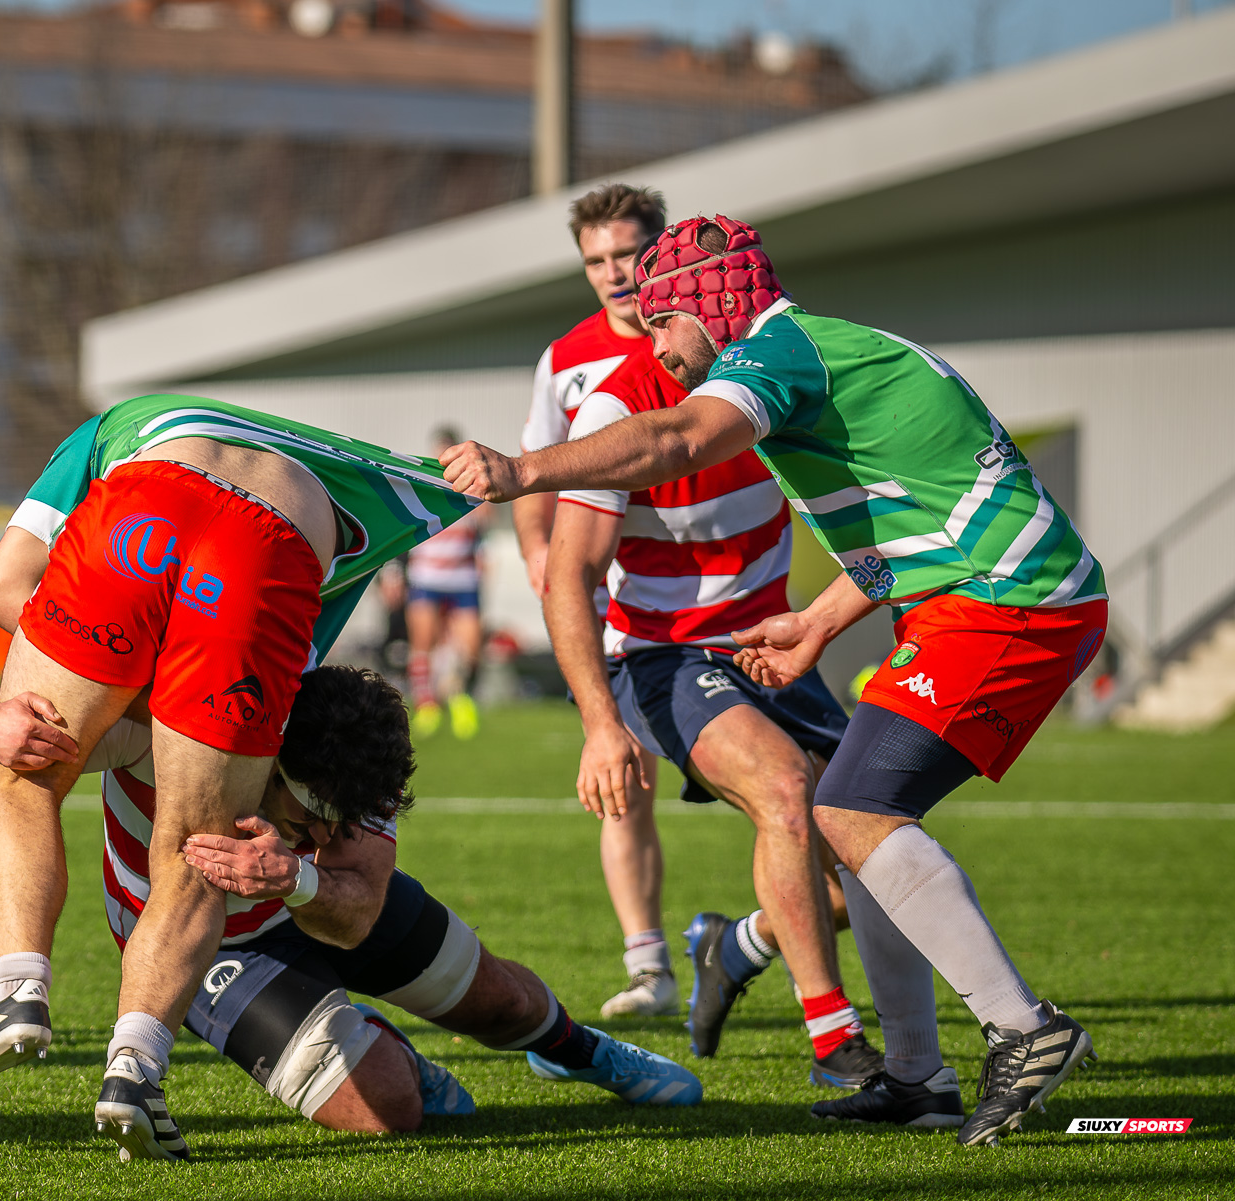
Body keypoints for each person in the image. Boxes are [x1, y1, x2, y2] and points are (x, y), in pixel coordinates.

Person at [440, 215, 1107, 1146]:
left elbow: (676, 440)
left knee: (852, 809)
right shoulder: (819, 353)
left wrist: (522, 471)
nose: (657, 345)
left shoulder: (774, 353)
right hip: (986, 595)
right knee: (852, 816)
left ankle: (1025, 1029)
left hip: (1010, 600)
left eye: (664, 323)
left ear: (712, 306)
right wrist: (817, 622)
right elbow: (908, 521)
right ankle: (916, 1074)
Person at [0, 395, 477, 1162]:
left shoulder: (109, 430)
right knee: (195, 851)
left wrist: (76, 700)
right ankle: (135, 1067)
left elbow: (1, 589)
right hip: (273, 541)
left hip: (147, 503)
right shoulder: (346, 486)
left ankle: (17, 987)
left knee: (29, 764)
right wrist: (188, 712)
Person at [0, 667, 701, 1146]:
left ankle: (580, 1049)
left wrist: (293, 873)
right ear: (271, 763)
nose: (331, 835)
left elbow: (358, 908)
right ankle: (392, 1049)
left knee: (504, 1001)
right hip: (205, 945)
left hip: (311, 900)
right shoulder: (161, 721)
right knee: (389, 1105)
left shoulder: (350, 768)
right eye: (317, 816)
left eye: (345, 820)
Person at [547, 346, 886, 1088]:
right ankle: (834, 1040)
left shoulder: (777, 375)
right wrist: (600, 725)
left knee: (880, 858)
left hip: (770, 645)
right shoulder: (612, 403)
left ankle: (736, 947)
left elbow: (878, 516)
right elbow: (565, 571)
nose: (658, 321)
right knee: (785, 789)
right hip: (662, 656)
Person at [513, 183, 675, 1018]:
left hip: (728, 598)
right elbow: (531, 473)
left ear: (661, 248)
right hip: (617, 615)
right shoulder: (567, 359)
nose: (614, 273)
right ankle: (651, 969)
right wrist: (540, 556)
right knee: (624, 778)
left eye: (628, 254)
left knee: (796, 794)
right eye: (596, 260)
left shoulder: (709, 340)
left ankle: (767, 945)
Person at [404, 426, 489, 740]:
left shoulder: (473, 485)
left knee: (470, 647)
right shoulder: (420, 482)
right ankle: (427, 704)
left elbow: (484, 529)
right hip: (427, 577)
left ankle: (459, 697)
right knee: (423, 643)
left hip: (462, 579)